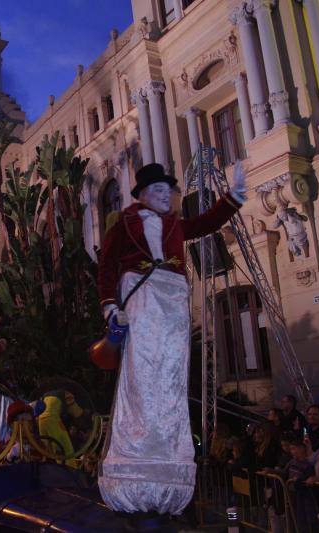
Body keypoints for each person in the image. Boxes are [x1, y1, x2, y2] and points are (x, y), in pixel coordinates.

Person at [96, 162, 244, 525]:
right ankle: (135, 458)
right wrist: (110, 306)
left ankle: (168, 460)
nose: (167, 196)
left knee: (172, 376)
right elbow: (106, 267)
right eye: (160, 191)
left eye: (169, 191)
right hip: (142, 295)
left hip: (173, 295)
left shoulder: (176, 224)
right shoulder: (124, 224)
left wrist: (233, 198)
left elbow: (206, 223)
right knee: (143, 374)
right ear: (144, 195)